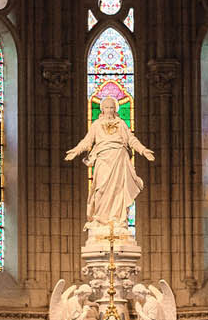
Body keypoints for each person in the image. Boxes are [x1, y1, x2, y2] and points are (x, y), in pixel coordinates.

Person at [65, 93, 155, 234]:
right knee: (100, 190)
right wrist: (75, 151)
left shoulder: (121, 124)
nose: (109, 110)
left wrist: (143, 150)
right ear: (102, 109)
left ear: (115, 109)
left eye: (112, 107)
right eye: (106, 107)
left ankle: (117, 220)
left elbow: (131, 139)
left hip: (119, 159)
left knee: (118, 190)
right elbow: (87, 141)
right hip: (103, 160)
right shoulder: (96, 125)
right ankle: (100, 220)